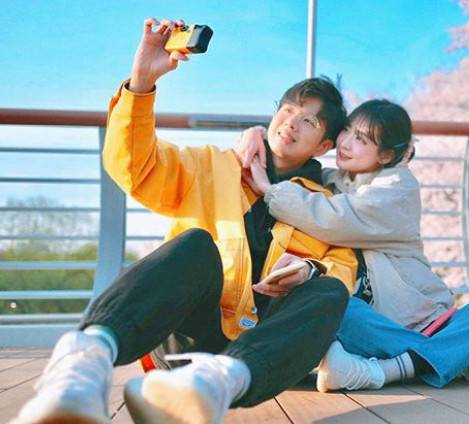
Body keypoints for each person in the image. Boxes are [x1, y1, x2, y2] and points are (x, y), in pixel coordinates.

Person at [13, 18, 358, 424]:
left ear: (324, 145)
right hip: (184, 336)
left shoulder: (326, 206)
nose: (291, 123)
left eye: (309, 121)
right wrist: (141, 83)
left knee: (330, 289)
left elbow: (343, 267)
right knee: (196, 242)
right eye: (287, 109)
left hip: (257, 358)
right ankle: (79, 373)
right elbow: (137, 168)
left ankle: (212, 385)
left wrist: (309, 269)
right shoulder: (211, 164)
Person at [238, 99, 469, 392]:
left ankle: (383, 371)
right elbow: (292, 165)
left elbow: (335, 217)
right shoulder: (335, 181)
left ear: (386, 155)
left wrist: (270, 191)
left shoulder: (398, 188)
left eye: (361, 140)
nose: (346, 143)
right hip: (367, 321)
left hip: (421, 318)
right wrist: (258, 135)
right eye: (346, 130)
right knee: (331, 304)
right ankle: (465, 362)